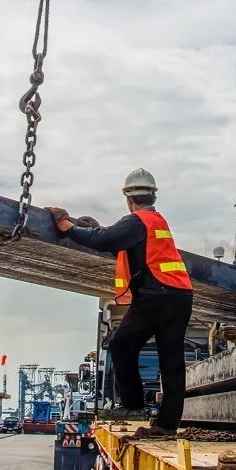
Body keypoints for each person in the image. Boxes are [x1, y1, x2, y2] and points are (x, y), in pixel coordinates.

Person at [47, 168, 193, 437]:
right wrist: (95, 230)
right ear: (153, 195)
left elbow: (104, 240)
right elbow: (119, 242)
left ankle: (133, 405)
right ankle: (167, 425)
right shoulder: (156, 221)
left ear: (129, 198)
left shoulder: (137, 221)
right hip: (179, 295)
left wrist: (67, 227)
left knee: (121, 344)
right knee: (171, 363)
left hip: (156, 296)